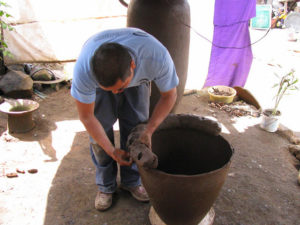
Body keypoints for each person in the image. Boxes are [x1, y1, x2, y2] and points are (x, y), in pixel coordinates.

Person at [71, 27, 178, 211]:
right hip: (108, 78)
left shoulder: (156, 57)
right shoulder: (84, 70)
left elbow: (170, 96)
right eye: (110, 89)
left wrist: (149, 130)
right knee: (99, 134)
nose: (115, 93)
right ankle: (106, 186)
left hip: (139, 78)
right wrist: (111, 150)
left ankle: (132, 181)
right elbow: (87, 117)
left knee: (138, 128)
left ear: (132, 66)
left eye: (119, 88)